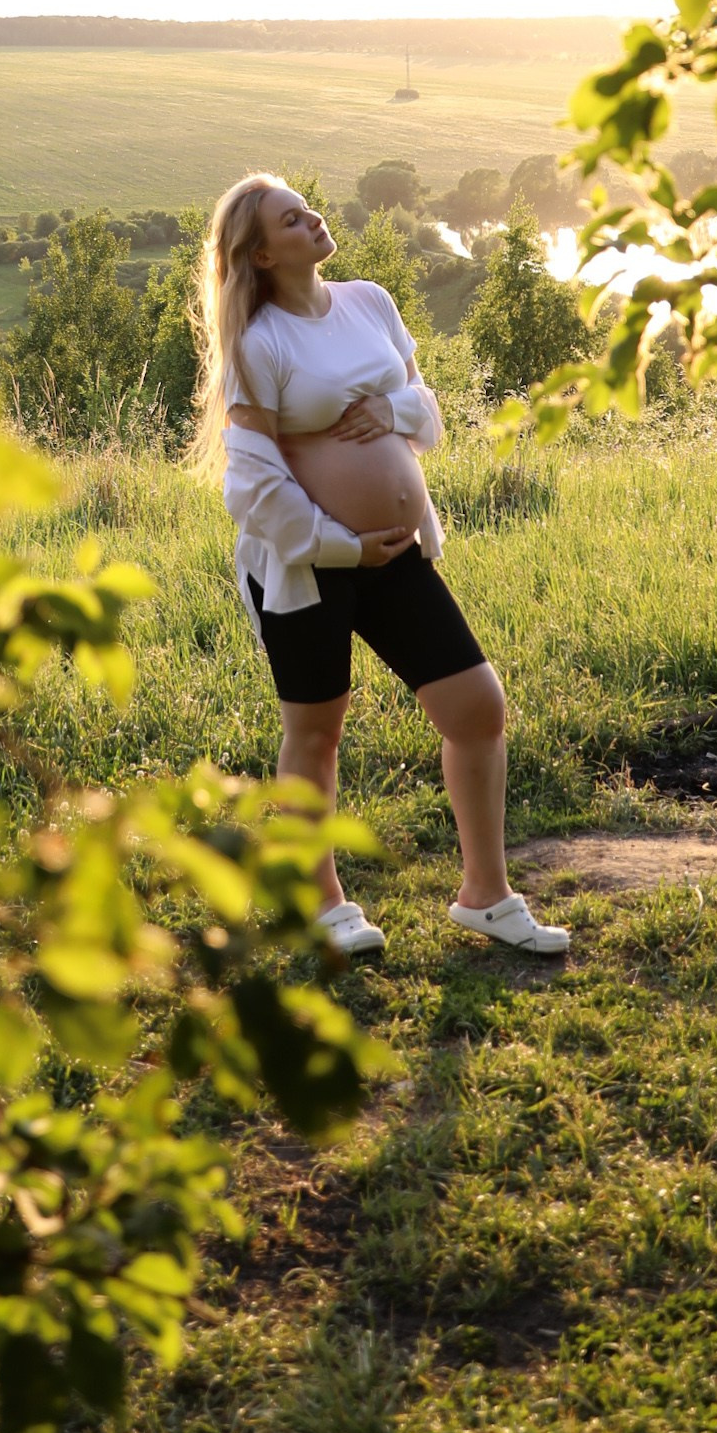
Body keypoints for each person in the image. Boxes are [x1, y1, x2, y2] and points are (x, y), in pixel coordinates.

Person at [198, 171, 569, 963]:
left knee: (476, 706)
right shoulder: (257, 343)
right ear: (260, 253)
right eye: (291, 220)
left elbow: (423, 408)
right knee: (315, 733)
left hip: (395, 557)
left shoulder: (369, 300)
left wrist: (391, 411)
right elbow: (251, 481)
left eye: (308, 208)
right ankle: (322, 901)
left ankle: (485, 895)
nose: (313, 220)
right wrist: (341, 545)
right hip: (306, 568)